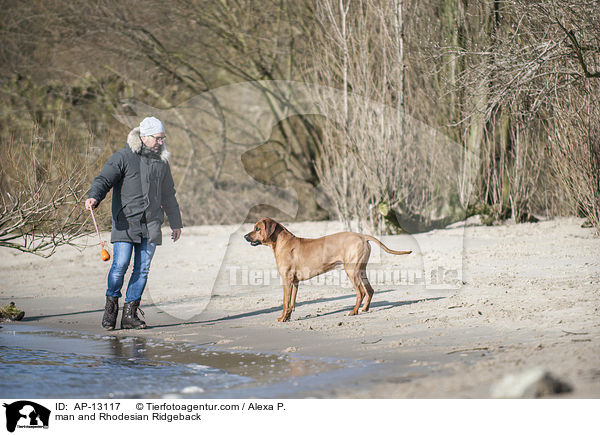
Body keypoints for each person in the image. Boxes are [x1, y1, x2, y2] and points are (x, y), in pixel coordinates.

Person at [85, 116, 182, 330]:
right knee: (119, 266)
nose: (161, 142)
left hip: (152, 224)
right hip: (125, 222)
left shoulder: (162, 162)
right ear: (145, 137)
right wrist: (94, 196)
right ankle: (111, 308)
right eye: (157, 138)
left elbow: (168, 194)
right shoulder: (123, 157)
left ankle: (130, 314)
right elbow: (103, 180)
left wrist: (176, 222)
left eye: (163, 138)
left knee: (142, 269)